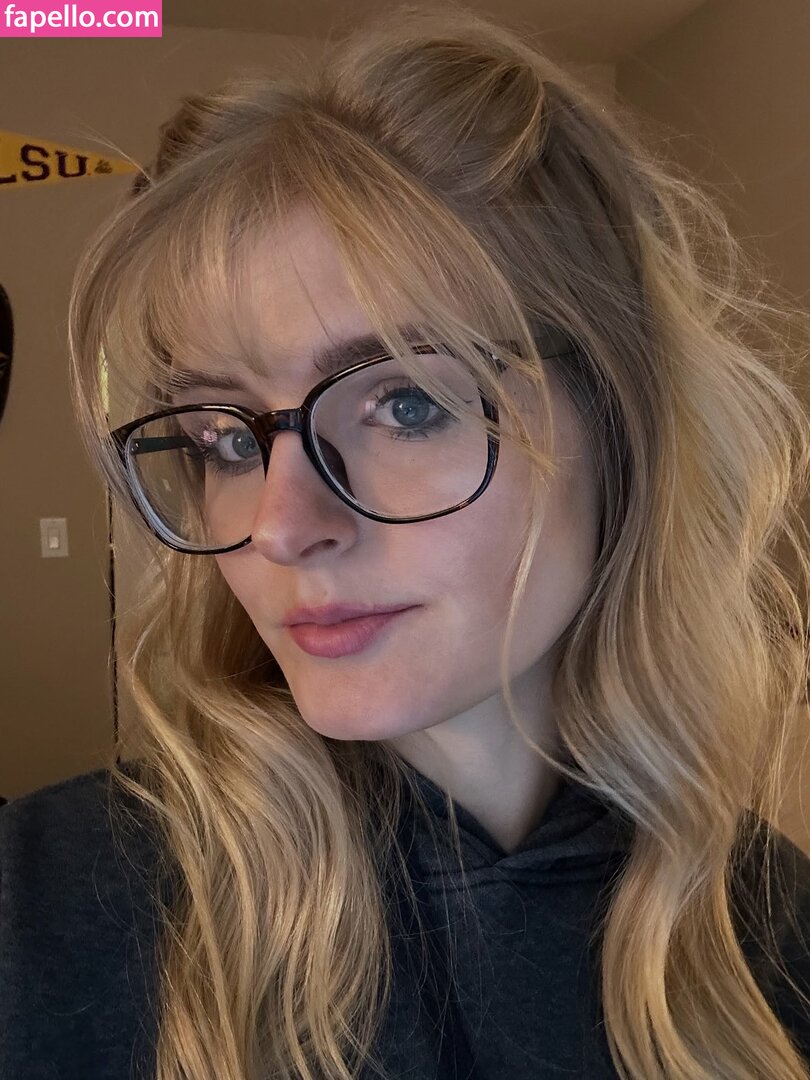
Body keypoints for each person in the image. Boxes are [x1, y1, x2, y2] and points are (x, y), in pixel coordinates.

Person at [2, 5, 810, 1078]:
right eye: (224, 440)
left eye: (410, 405)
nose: (282, 527)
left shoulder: (772, 936)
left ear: (624, 422)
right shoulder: (40, 913)